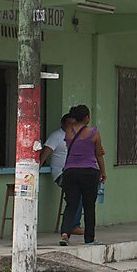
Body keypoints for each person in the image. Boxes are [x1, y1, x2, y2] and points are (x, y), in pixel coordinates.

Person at [60, 104, 106, 246]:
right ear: (87, 117)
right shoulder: (94, 132)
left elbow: (72, 149)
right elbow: (98, 154)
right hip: (89, 171)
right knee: (88, 206)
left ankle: (65, 233)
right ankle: (89, 239)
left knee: (71, 204)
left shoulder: (69, 131)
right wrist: (103, 172)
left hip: (70, 171)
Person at [39, 114, 83, 236]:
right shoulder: (56, 136)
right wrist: (37, 168)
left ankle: (74, 224)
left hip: (75, 172)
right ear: (63, 124)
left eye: (74, 123)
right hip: (61, 174)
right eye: (69, 123)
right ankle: (73, 225)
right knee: (76, 192)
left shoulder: (76, 136)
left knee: (84, 189)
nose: (72, 126)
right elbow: (45, 153)